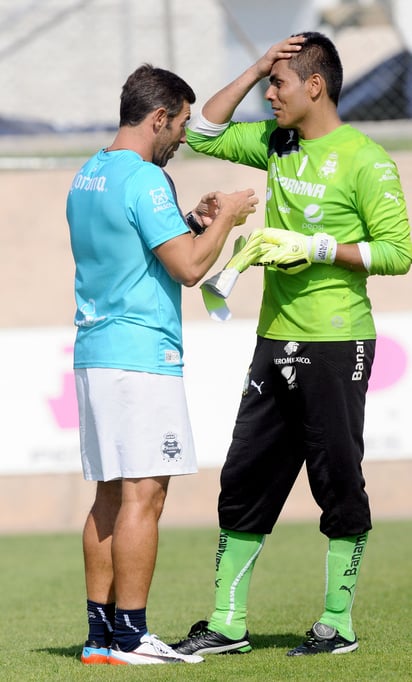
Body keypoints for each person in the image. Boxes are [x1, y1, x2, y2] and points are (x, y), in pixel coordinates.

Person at [170, 32, 412, 657]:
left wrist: (319, 249)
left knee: (337, 479)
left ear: (315, 86)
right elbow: (200, 131)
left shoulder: (365, 159)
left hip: (337, 343)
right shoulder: (278, 143)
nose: (269, 95)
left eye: (279, 84)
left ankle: (337, 622)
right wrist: (258, 63)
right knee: (244, 478)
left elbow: (398, 253)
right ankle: (226, 624)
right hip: (273, 340)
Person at [66, 63, 260, 666]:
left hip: (96, 352)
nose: (182, 136)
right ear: (158, 117)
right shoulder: (147, 179)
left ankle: (100, 638)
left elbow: (142, 250)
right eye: (180, 124)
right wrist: (226, 216)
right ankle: (132, 635)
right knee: (144, 495)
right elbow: (189, 269)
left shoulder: (87, 174)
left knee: (106, 496)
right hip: (142, 355)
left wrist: (192, 225)